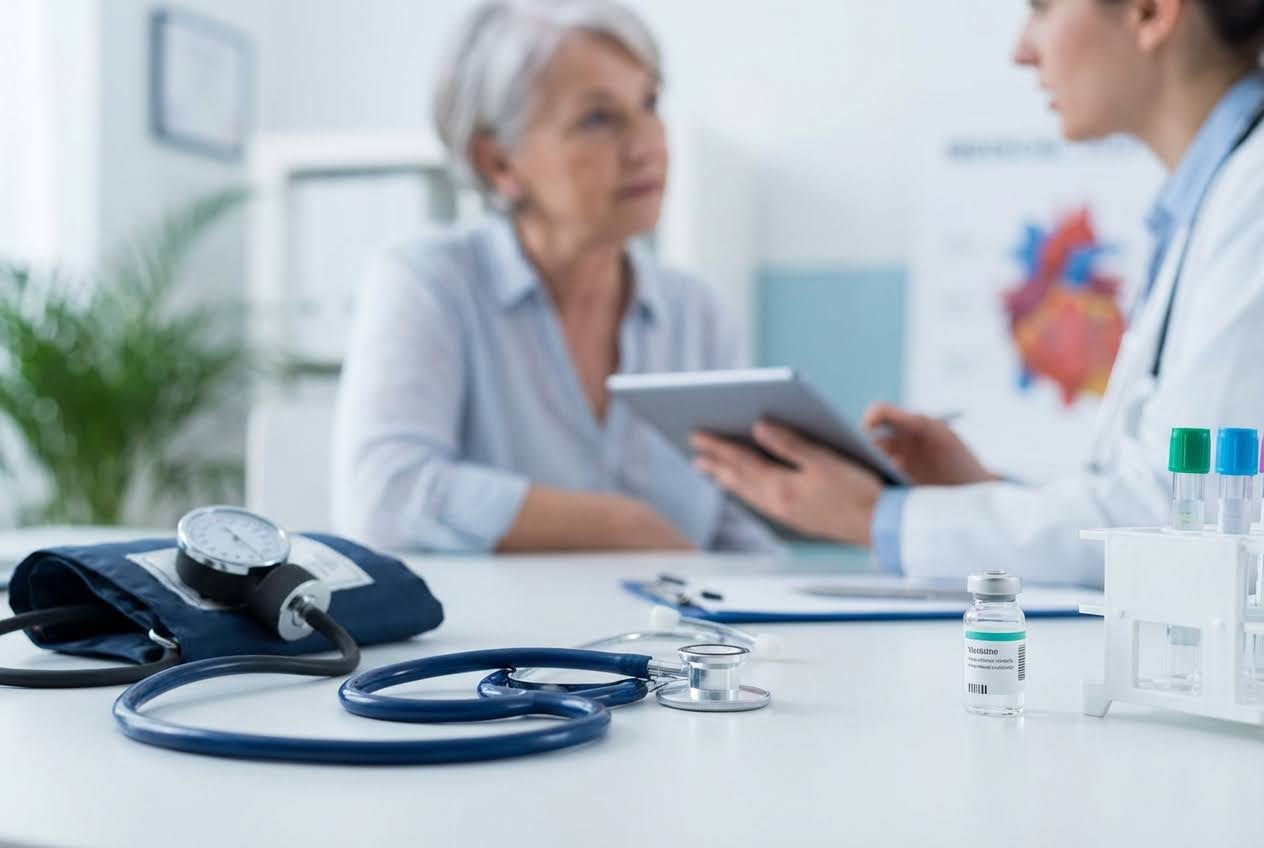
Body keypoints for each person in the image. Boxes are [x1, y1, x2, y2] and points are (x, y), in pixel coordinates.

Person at [693, 0, 1264, 586]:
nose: (1022, 50)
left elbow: (1191, 522)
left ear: (1149, 13)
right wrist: (981, 494)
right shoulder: (1210, 203)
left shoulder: (1252, 197)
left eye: (1042, 9)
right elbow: (1151, 502)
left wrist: (876, 517)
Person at [331, 0, 776, 554]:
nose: (648, 145)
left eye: (650, 103)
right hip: (501, 641)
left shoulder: (698, 313)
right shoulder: (428, 281)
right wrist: (623, 528)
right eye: (598, 118)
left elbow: (737, 530)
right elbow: (386, 496)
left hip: (670, 641)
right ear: (500, 164)